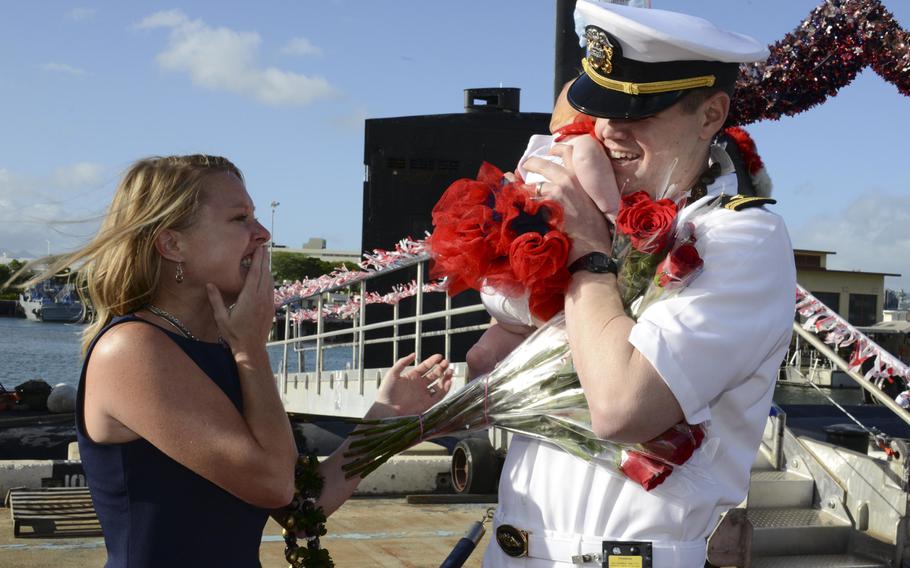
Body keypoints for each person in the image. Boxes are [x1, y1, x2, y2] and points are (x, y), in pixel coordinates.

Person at [481, 2, 796, 567]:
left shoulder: (741, 238)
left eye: (638, 111)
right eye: (602, 108)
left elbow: (622, 407)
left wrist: (585, 251)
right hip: (515, 551)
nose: (609, 130)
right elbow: (497, 361)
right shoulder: (604, 224)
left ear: (710, 115)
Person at [23, 154, 453, 567]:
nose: (263, 233)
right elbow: (271, 483)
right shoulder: (132, 349)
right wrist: (251, 346)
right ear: (172, 243)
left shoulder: (218, 348)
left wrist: (384, 416)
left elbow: (300, 506)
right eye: (239, 219)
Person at [466, 84, 618, 379]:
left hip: (502, 287)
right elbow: (601, 189)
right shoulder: (583, 146)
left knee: (484, 355)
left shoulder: (537, 148)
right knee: (570, 348)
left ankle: (475, 384)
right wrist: (616, 214)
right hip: (544, 288)